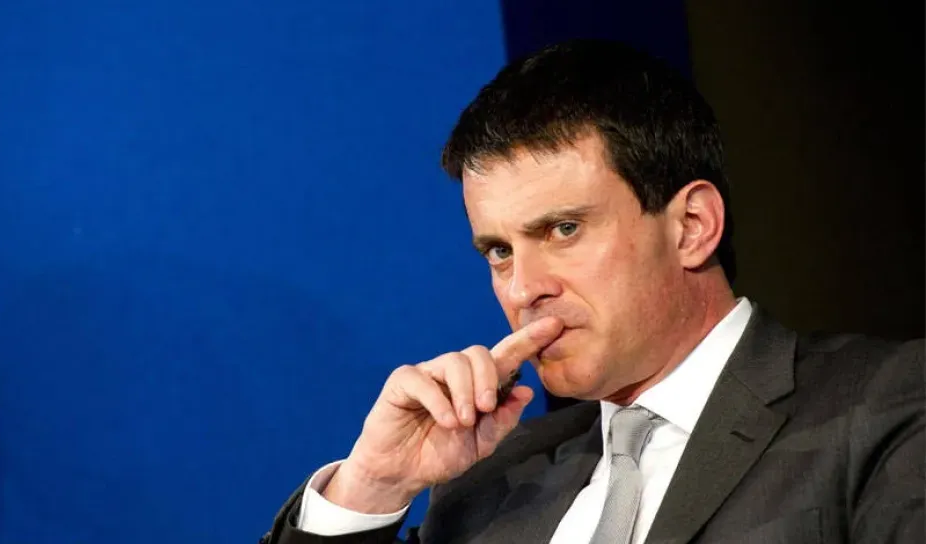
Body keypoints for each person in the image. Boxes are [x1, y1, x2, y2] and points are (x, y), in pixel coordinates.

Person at [260, 39, 924, 544]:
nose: (523, 288)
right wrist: (373, 486)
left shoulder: (888, 405)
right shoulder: (488, 481)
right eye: (499, 251)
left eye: (564, 229)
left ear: (692, 226)